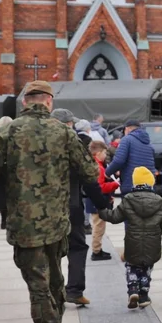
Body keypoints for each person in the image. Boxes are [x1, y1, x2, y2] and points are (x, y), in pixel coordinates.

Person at [0, 81, 109, 323]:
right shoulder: (63, 131)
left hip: (25, 225)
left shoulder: (9, 130)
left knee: (38, 285)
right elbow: (90, 172)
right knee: (56, 278)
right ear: (49, 102)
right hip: (58, 222)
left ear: (24, 102)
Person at [50, 108, 101, 307]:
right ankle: (74, 290)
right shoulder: (74, 142)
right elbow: (89, 175)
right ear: (69, 124)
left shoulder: (39, 141)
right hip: (71, 204)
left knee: (50, 250)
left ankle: (53, 293)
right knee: (77, 247)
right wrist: (101, 202)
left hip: (44, 207)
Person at [99, 166, 162, 309]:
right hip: (152, 242)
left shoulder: (128, 199)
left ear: (134, 183)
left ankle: (132, 290)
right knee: (146, 268)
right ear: (151, 183)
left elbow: (115, 217)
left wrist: (102, 211)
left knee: (132, 266)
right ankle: (143, 295)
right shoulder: (160, 202)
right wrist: (156, 234)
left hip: (133, 241)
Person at [87, 141, 119, 261]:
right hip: (97, 203)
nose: (106, 155)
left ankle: (98, 249)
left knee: (99, 226)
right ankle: (96, 251)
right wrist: (114, 185)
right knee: (99, 227)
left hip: (94, 201)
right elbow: (100, 187)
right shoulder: (98, 167)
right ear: (99, 152)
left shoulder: (95, 164)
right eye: (105, 152)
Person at [105, 119, 156, 195]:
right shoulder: (149, 143)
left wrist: (107, 173)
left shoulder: (126, 140)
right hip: (148, 185)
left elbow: (119, 160)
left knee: (130, 206)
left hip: (131, 184)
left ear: (127, 129)